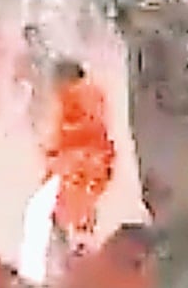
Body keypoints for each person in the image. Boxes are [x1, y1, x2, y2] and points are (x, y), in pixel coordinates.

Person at [18, 58, 116, 286]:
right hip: (90, 162)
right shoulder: (91, 93)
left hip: (79, 163)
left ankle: (76, 257)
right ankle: (77, 251)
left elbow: (80, 130)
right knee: (75, 212)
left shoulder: (77, 95)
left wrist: (53, 149)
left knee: (68, 212)